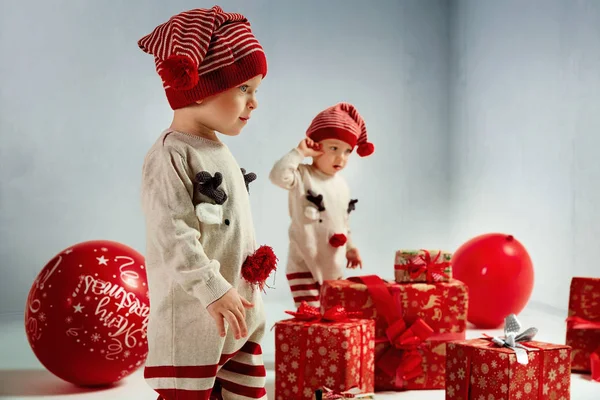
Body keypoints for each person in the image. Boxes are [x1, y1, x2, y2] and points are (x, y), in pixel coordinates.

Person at [138, 6, 276, 399]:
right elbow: (172, 233)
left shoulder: (219, 149)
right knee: (191, 389)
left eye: (255, 90)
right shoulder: (171, 154)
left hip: (240, 310)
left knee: (243, 390)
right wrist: (212, 286)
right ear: (199, 88)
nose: (254, 103)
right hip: (197, 312)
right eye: (244, 89)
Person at [269, 102, 374, 308]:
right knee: (310, 318)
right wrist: (299, 152)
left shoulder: (342, 186)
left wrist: (351, 248)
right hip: (304, 263)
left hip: (333, 265)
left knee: (332, 318)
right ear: (316, 146)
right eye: (334, 148)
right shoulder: (302, 175)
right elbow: (277, 176)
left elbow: (343, 223)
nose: (340, 158)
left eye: (347, 151)